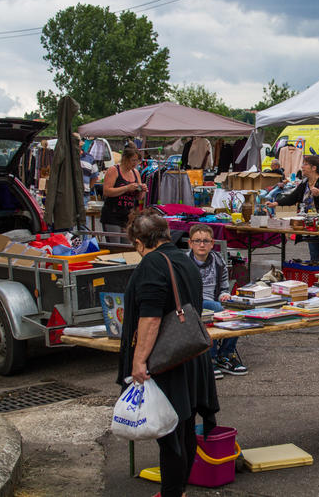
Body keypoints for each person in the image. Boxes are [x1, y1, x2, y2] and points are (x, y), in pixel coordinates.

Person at [118, 210, 219, 497]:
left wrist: (138, 361)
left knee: (169, 434)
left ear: (140, 242)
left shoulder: (152, 264)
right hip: (189, 353)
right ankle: (178, 491)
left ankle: (173, 492)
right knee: (183, 428)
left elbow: (151, 318)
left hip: (167, 358)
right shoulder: (183, 259)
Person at [187, 224, 247, 379]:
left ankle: (225, 354)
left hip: (215, 302)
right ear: (190, 243)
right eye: (197, 241)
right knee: (217, 309)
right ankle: (211, 357)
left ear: (212, 243)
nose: (202, 245)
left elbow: (224, 288)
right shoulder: (184, 262)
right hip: (192, 303)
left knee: (238, 310)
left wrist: (225, 296)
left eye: (206, 241)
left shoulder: (218, 261)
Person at [266, 155, 319, 264]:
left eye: (305, 164)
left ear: (314, 168)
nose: (302, 167)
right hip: (311, 225)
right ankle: (316, 274)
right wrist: (275, 203)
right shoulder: (305, 183)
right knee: (314, 257)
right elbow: (293, 197)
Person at [100, 146, 147, 243]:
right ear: (125, 159)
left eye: (137, 161)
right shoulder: (114, 170)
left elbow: (139, 197)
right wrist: (126, 188)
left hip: (128, 216)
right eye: (133, 160)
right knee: (115, 245)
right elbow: (106, 191)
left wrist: (142, 190)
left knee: (127, 246)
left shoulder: (135, 172)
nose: (135, 163)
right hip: (112, 215)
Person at [76, 133, 98, 205]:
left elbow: (95, 176)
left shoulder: (89, 158)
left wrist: (87, 187)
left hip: (84, 195)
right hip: (67, 195)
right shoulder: (66, 158)